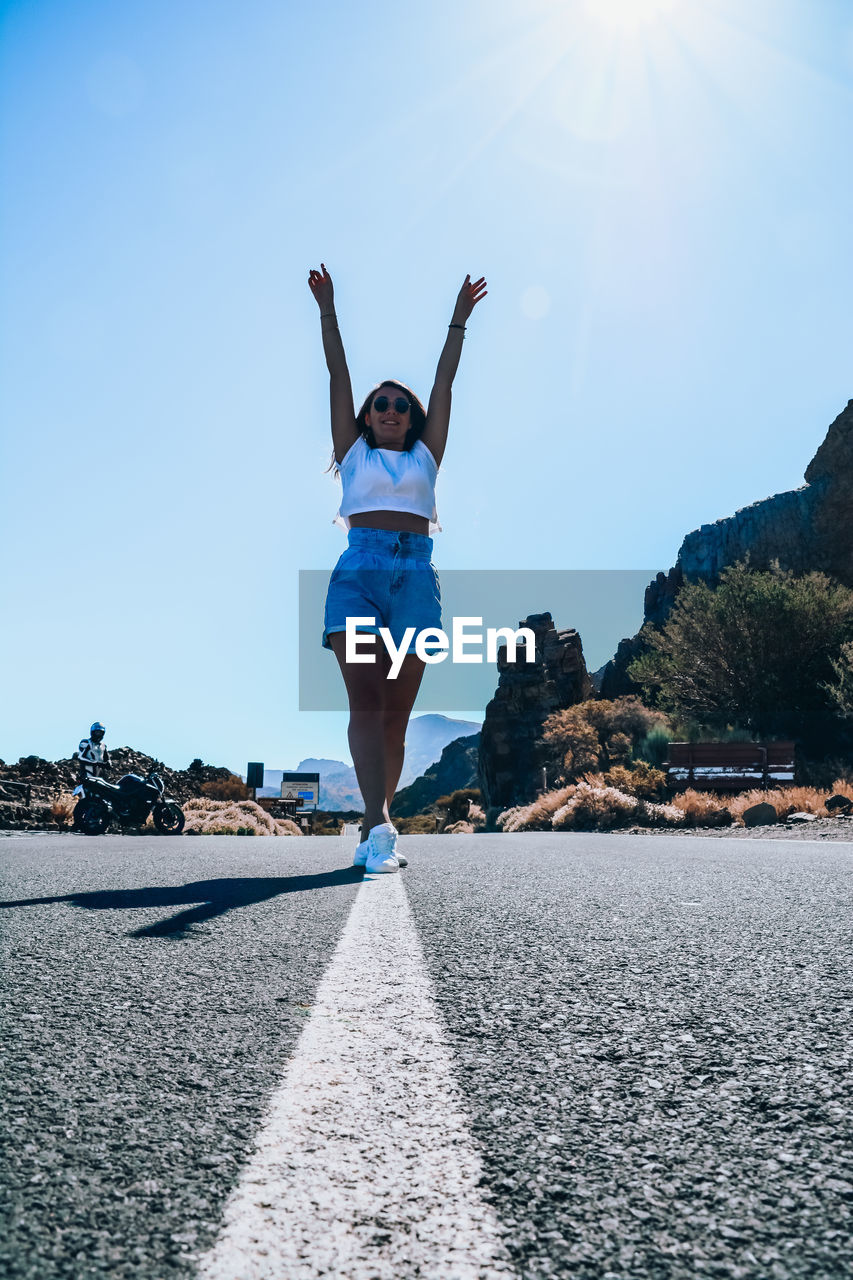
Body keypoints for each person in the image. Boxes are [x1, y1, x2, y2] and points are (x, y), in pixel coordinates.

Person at [308, 263, 487, 874]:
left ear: (411, 418)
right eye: (379, 404)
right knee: (365, 704)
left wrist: (459, 320)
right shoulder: (352, 452)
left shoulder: (427, 455)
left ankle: (374, 821)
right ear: (366, 416)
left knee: (396, 714)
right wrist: (328, 310)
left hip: (415, 578)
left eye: (399, 405)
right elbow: (338, 374)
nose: (389, 408)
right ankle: (379, 822)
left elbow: (444, 384)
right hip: (358, 575)